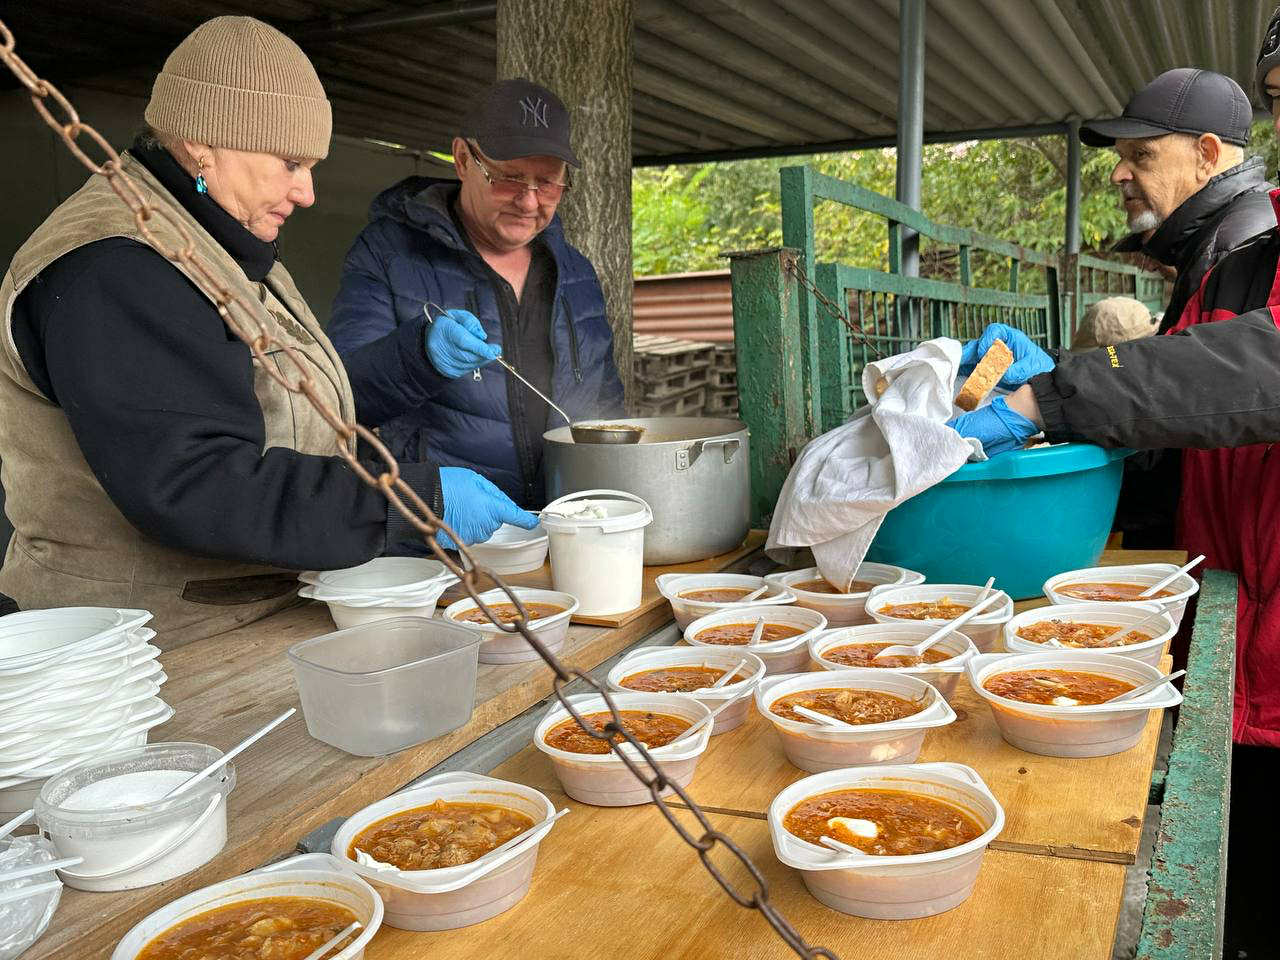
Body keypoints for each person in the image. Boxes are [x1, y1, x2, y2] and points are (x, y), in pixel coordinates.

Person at [0, 17, 535, 647]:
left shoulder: (218, 241)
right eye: (291, 163)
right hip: (142, 647)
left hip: (245, 616)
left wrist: (417, 359)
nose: (307, 193)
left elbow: (291, 402)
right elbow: (193, 483)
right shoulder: (115, 267)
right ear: (204, 143)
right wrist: (410, 502)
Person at [328, 79, 625, 515]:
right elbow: (339, 399)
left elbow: (607, 404)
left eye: (548, 184)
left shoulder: (575, 272)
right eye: (509, 179)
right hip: (441, 528)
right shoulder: (387, 254)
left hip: (566, 523)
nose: (529, 202)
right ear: (463, 159)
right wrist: (418, 357)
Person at [1080, 68, 1275, 551]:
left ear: (1206, 155)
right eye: (1121, 157)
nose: (1118, 174)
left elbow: (1203, 416)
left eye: (1141, 155)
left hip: (1233, 561)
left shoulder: (1234, 248)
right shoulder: (1213, 240)